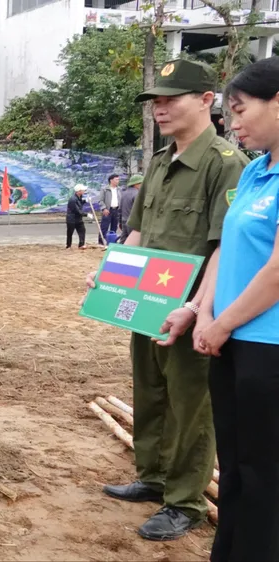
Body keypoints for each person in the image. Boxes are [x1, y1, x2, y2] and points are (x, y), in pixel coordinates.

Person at [88, 59, 248, 541]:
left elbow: (224, 248)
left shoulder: (225, 165)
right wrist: (109, 275)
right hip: (148, 301)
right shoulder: (159, 163)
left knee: (190, 406)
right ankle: (153, 477)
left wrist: (199, 309)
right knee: (151, 393)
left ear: (206, 101)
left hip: (193, 308)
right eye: (155, 100)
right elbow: (138, 231)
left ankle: (185, 502)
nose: (160, 108)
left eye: (171, 98)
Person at [190, 57, 279, 561]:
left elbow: (276, 272)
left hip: (268, 348)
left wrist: (221, 322)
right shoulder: (254, 174)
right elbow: (225, 248)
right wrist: (203, 312)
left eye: (241, 109)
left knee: (265, 473)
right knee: (237, 467)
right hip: (230, 342)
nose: (232, 122)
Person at [119, 174, 143, 241]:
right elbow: (140, 210)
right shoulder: (137, 194)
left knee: (124, 240)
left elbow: (120, 209)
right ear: (136, 184)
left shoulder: (124, 193)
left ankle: (120, 251)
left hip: (124, 221)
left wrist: (120, 222)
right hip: (133, 223)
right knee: (134, 242)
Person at [99, 174, 122, 245]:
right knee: (104, 227)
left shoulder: (119, 189)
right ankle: (101, 242)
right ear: (111, 180)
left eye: (118, 179)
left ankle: (112, 242)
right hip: (108, 210)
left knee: (114, 227)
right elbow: (101, 200)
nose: (118, 181)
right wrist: (104, 208)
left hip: (116, 210)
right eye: (116, 179)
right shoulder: (105, 189)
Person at [66, 184, 87, 249]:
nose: (84, 191)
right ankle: (68, 245)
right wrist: (86, 214)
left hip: (78, 219)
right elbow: (77, 210)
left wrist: (85, 201)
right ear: (79, 191)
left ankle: (81, 245)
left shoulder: (79, 197)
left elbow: (79, 203)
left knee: (82, 230)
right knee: (70, 232)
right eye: (83, 190)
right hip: (72, 219)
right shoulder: (72, 199)